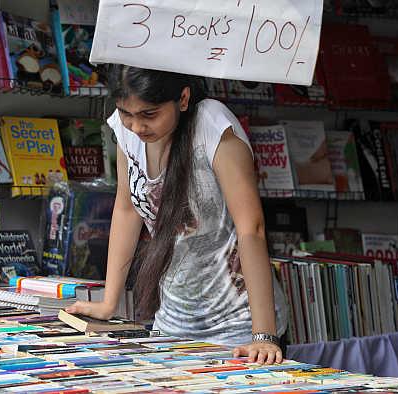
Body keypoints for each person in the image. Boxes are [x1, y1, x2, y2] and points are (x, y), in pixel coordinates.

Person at [66, 65, 288, 365]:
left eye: (149, 114)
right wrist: (109, 302)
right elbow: (126, 209)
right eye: (125, 113)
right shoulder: (128, 132)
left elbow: (252, 228)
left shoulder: (211, 122)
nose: (136, 126)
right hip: (173, 321)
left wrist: (264, 336)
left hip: (238, 326)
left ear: (183, 99)